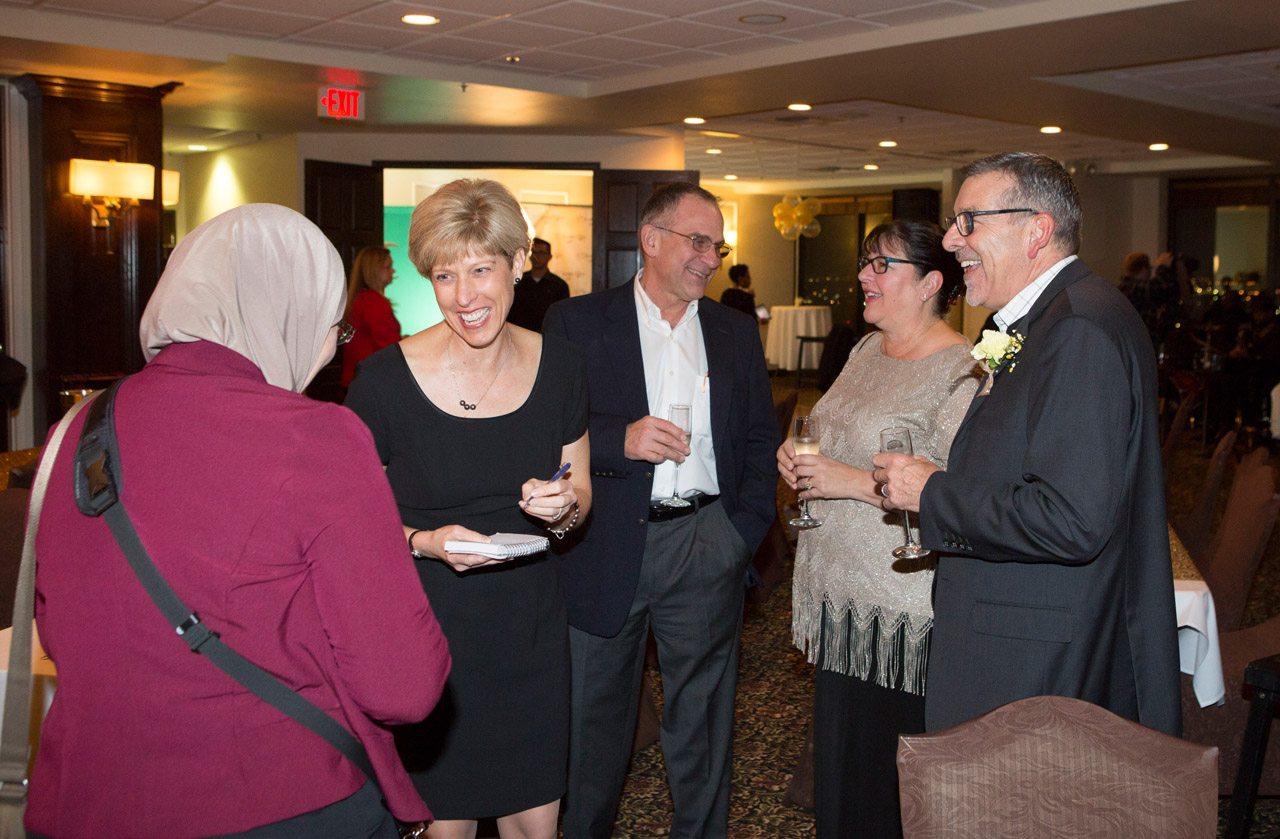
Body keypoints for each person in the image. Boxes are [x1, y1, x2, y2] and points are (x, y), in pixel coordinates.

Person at [26, 204, 451, 838]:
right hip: (274, 799)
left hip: (85, 803)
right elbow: (403, 686)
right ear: (287, 313)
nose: (323, 355)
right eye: (332, 332)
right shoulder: (316, 437)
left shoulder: (73, 433)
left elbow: (65, 628)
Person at [873, 152, 1182, 737]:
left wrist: (933, 492)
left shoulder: (1078, 328)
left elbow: (1070, 519)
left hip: (1036, 658)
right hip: (1027, 635)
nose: (951, 239)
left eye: (969, 221)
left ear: (1037, 230)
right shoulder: (1044, 320)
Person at [345, 179, 591, 839]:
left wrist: (562, 509)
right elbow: (350, 524)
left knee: (536, 828)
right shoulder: (382, 382)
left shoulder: (562, 366)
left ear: (518, 262)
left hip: (530, 633)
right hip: (430, 639)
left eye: (480, 269)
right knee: (445, 830)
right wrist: (423, 540)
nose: (464, 296)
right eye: (445, 275)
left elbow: (579, 499)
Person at [544, 182, 778, 839]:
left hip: (706, 538)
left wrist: (739, 532)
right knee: (593, 722)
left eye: (717, 246)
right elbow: (546, 430)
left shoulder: (732, 330)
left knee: (702, 722)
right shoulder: (578, 323)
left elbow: (759, 438)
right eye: (698, 241)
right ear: (651, 240)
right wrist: (619, 440)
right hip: (604, 541)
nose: (710, 258)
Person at [778, 220, 980, 839]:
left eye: (882, 265)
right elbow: (831, 432)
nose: (864, 275)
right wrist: (798, 455)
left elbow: (950, 497)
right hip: (836, 591)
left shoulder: (963, 371)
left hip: (895, 607)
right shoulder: (866, 350)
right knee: (840, 771)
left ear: (930, 283)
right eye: (866, 262)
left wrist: (844, 480)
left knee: (880, 780)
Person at [341, 245, 403, 390]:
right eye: (388, 267)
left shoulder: (358, 299)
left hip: (355, 379)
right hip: (370, 382)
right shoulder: (374, 302)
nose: (393, 271)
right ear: (375, 271)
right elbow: (390, 347)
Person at [507, 237, 570, 332]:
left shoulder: (559, 285)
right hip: (519, 334)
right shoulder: (518, 282)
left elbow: (563, 317)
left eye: (541, 253)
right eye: (534, 252)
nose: (536, 257)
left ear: (549, 257)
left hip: (548, 335)